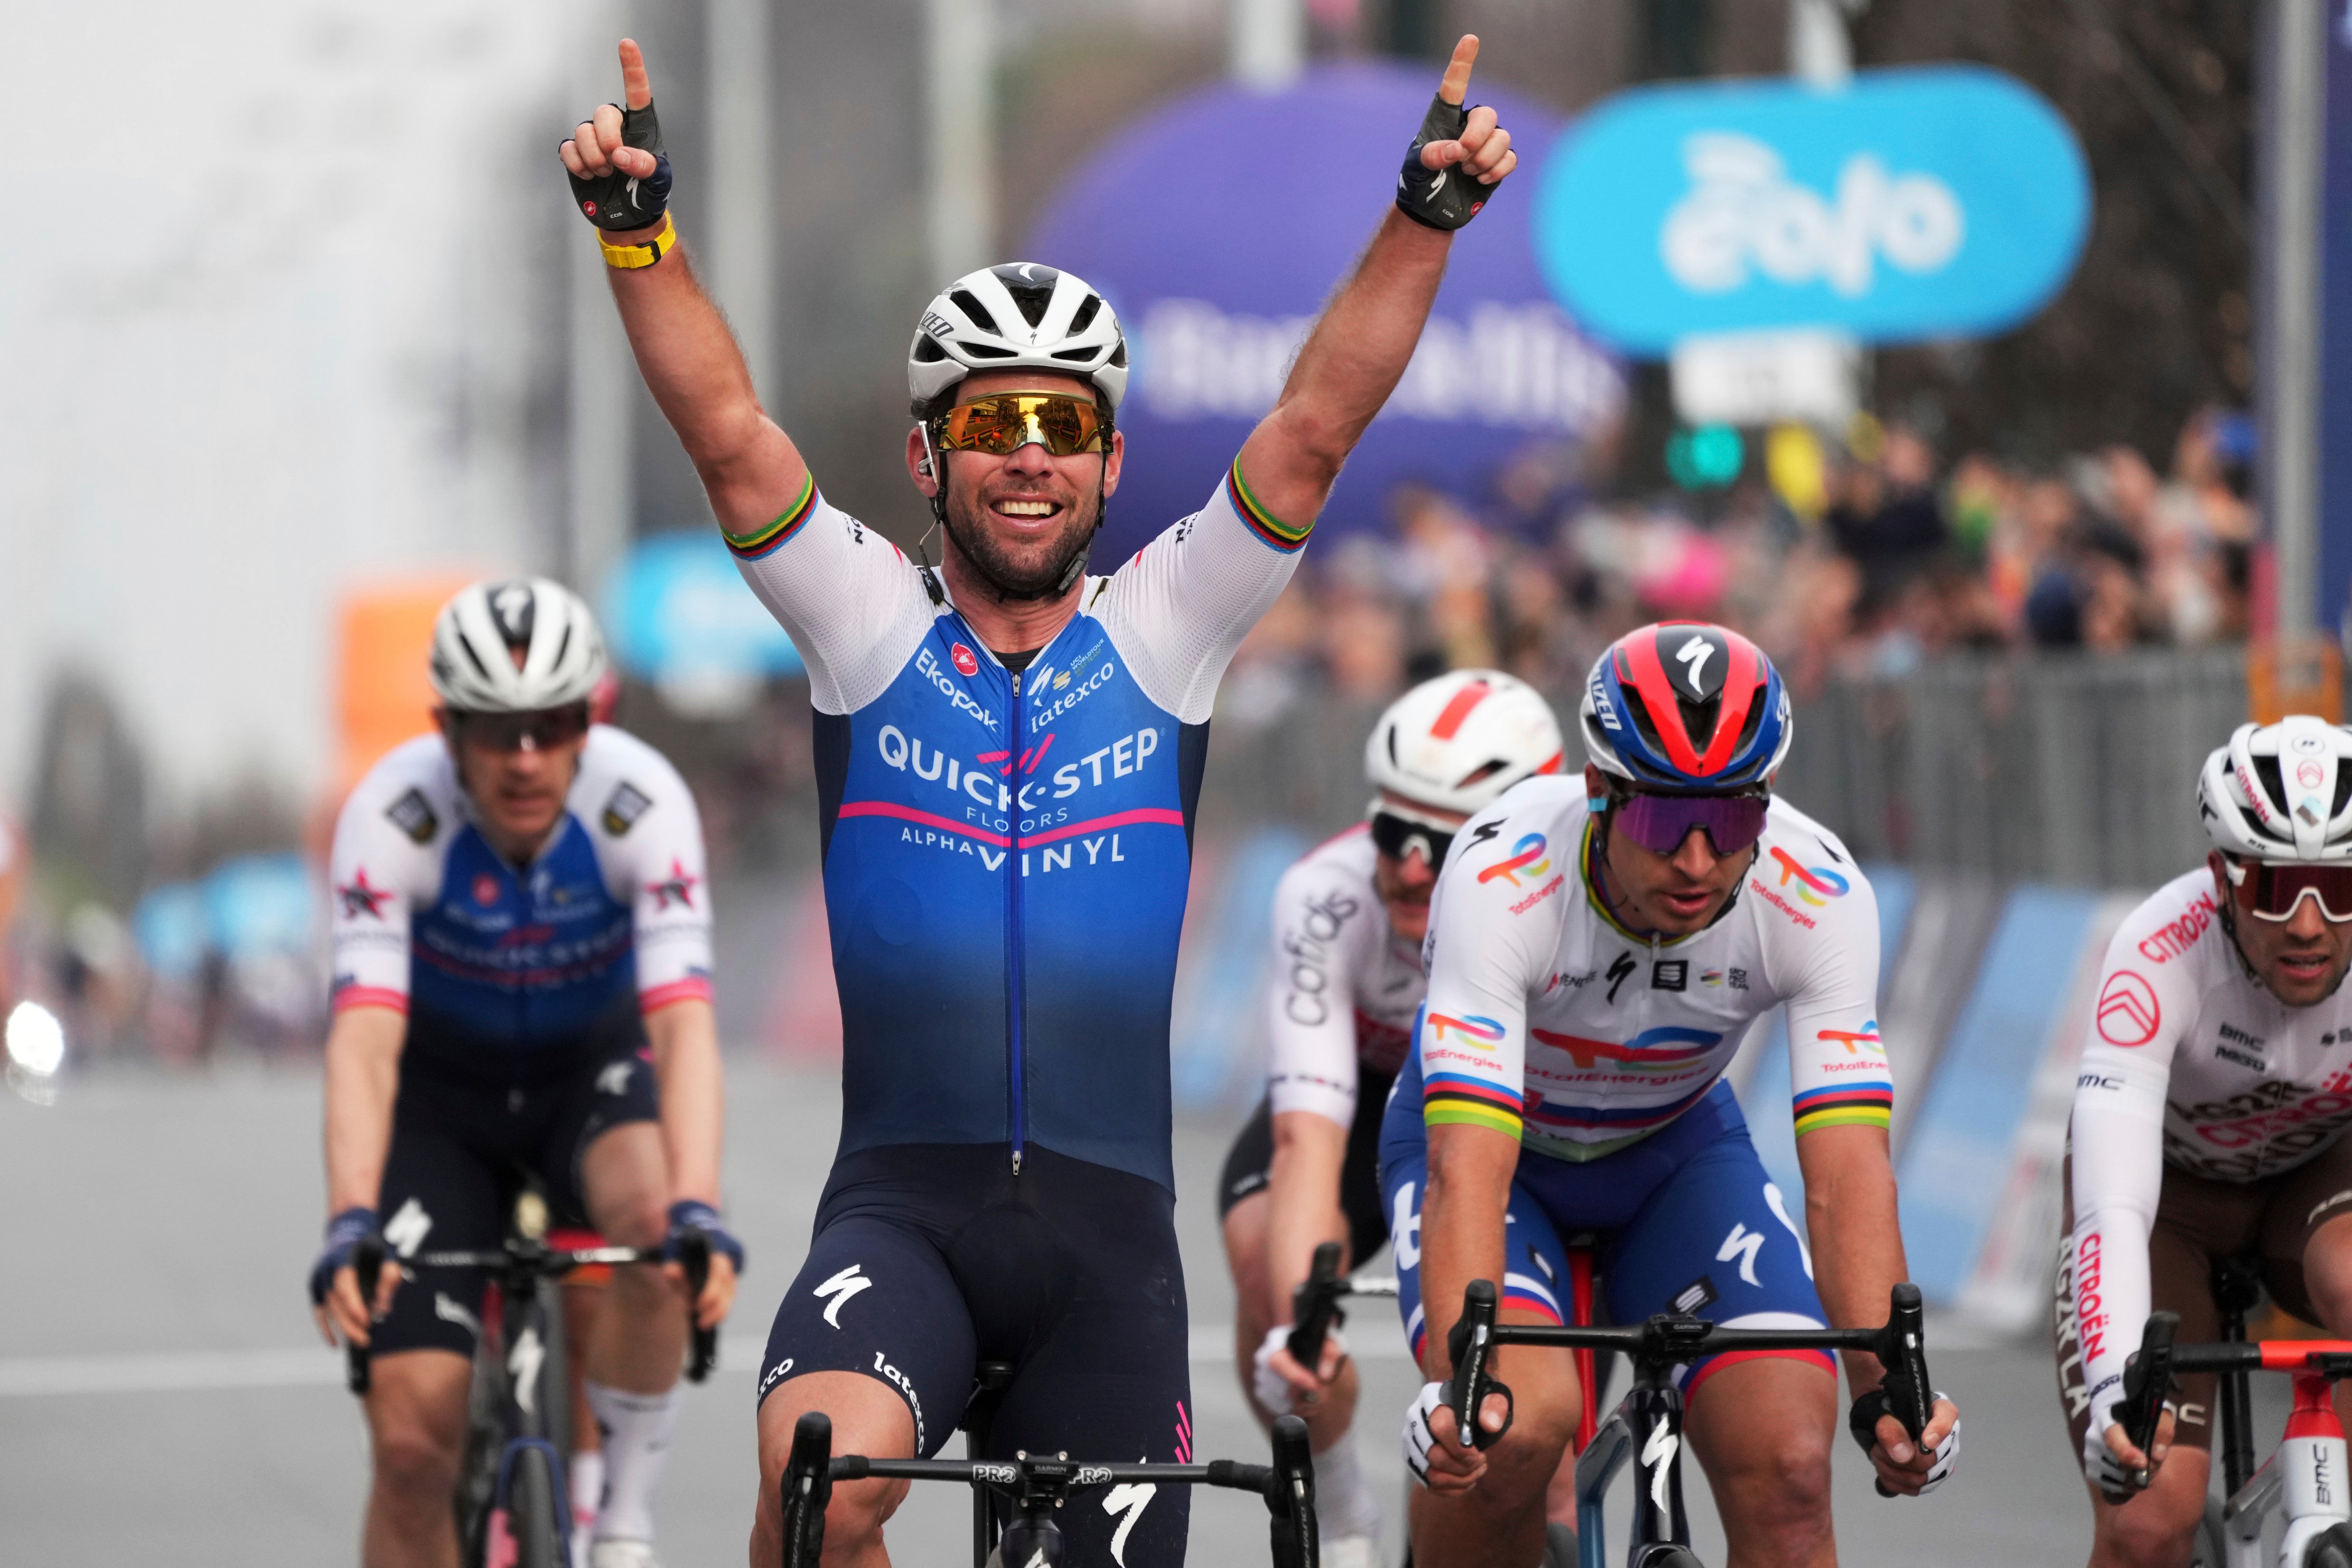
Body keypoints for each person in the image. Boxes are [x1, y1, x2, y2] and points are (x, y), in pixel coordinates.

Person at [556, 29, 1521, 1568]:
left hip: (1106, 1247)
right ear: (926, 458)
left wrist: (1422, 214)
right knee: (815, 1488)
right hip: (904, 1216)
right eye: (988, 424)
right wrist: (640, 239)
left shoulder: (1168, 627)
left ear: (1111, 457)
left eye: (1061, 424)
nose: (1026, 457)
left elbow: (1316, 425)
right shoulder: (869, 627)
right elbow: (730, 437)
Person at [1390, 621, 1961, 1568]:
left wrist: (1887, 1386)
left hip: (1674, 1155)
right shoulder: (1501, 874)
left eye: (1732, 820)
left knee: (1787, 1463)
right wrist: (1462, 1373)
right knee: (1507, 1432)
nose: (1699, 862)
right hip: (1504, 1160)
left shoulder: (1817, 891)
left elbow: (1848, 1174)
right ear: (1598, 794)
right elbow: (1469, 1166)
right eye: (1664, 823)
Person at [308, 579, 741, 1568]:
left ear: (588, 718)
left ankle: (622, 1518)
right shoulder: (391, 813)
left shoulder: (644, 806)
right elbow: (364, 1046)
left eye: (551, 725)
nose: (525, 758)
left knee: (653, 1224)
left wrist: (699, 1210)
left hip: (587, 1076)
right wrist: (348, 1219)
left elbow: (684, 1031)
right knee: (414, 1448)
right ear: (445, 727)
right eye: (494, 729)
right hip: (440, 1109)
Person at [1219, 670, 1565, 1565]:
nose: (1409, 866)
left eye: (1439, 842)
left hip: (1526, 1118)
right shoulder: (1326, 897)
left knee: (1541, 1444)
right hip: (1375, 1103)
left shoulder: (1568, 900)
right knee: (1268, 1264)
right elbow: (1306, 1135)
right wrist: (1305, 1326)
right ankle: (1340, 1514)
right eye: (1392, 831)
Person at [2061, 715, 2352, 1566]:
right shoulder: (2157, 951)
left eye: (2337, 888)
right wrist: (2119, 1391)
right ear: (2220, 878)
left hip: (2315, 1189)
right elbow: (2112, 1205)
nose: (2306, 925)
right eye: (2273, 887)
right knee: (2150, 1519)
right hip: (2168, 1209)